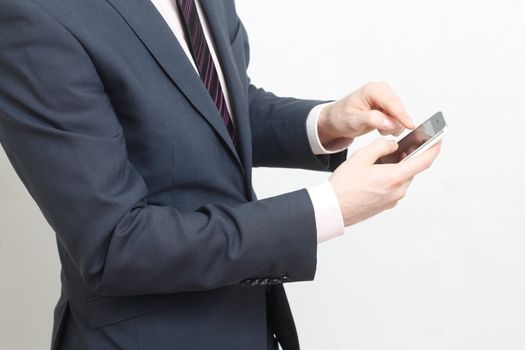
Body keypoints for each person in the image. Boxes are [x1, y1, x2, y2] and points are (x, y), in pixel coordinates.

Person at [0, 0, 441, 349]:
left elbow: (213, 107)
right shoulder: (34, 16)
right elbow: (116, 245)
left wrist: (325, 122)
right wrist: (327, 208)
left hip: (248, 322)